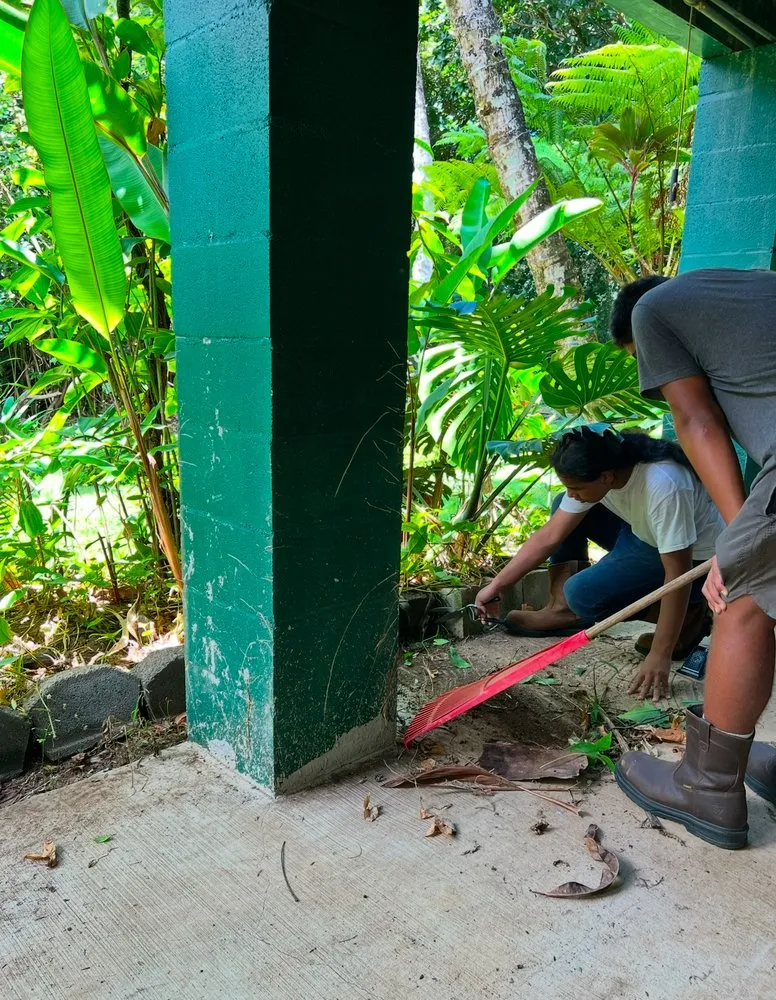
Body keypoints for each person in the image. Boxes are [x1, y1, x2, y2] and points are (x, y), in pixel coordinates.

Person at [609, 267, 776, 850]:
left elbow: (697, 421)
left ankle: (707, 787)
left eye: (641, 361)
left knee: (745, 598)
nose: (648, 378)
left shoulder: (652, 312)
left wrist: (738, 544)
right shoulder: (752, 293)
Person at [475, 427, 722, 701]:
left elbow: (678, 575)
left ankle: (689, 616)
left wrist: (660, 653)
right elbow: (550, 536)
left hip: (695, 559)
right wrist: (497, 585)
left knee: (582, 596)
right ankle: (559, 610)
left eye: (577, 487)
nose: (573, 494)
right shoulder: (608, 467)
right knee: (562, 505)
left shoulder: (664, 485)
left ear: (605, 476)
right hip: (643, 532)